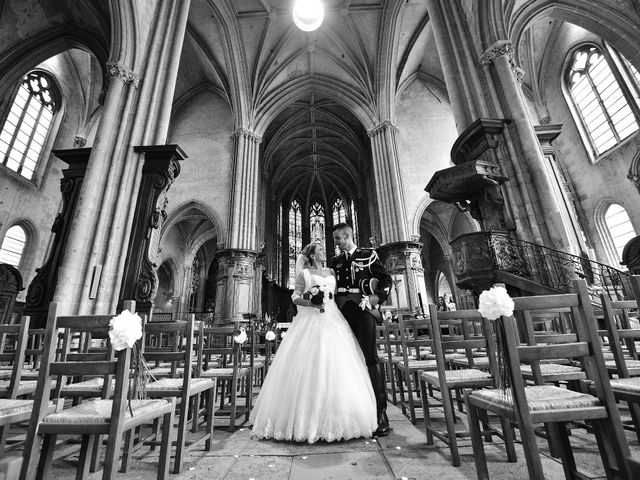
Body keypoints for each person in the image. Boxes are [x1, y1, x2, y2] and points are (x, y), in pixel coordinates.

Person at [250, 243, 377, 443]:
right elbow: (295, 297)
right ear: (311, 255)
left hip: (334, 318)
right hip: (311, 320)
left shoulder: (331, 271)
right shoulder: (304, 274)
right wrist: (312, 302)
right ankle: (304, 420)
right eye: (319, 249)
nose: (322, 252)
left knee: (339, 365)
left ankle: (340, 415)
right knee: (311, 363)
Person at [330, 222, 393, 437]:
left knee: (370, 358)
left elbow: (386, 280)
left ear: (347, 236)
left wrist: (376, 298)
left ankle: (380, 413)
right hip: (342, 312)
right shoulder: (335, 261)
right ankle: (353, 412)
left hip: (364, 310)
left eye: (338, 238)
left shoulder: (369, 255)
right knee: (347, 361)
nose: (336, 243)